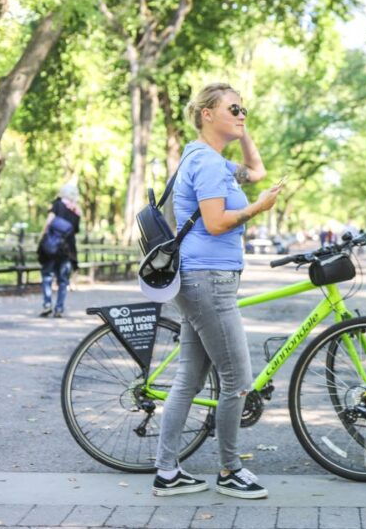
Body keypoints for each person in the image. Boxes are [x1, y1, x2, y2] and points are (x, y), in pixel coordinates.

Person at [152, 83, 282, 500]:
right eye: (233, 108)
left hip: (202, 279)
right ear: (207, 113)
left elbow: (257, 172)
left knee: (189, 378)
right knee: (238, 382)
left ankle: (167, 471)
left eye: (244, 109)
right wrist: (256, 208)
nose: (242, 114)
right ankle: (230, 470)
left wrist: (244, 132)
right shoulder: (207, 164)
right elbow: (215, 222)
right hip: (207, 280)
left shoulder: (212, 160)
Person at [38, 183, 81, 317]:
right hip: (67, 249)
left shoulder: (57, 204)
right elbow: (75, 232)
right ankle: (59, 309)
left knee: (47, 276)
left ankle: (47, 304)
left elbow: (49, 222)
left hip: (52, 247)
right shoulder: (76, 211)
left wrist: (42, 238)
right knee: (63, 280)